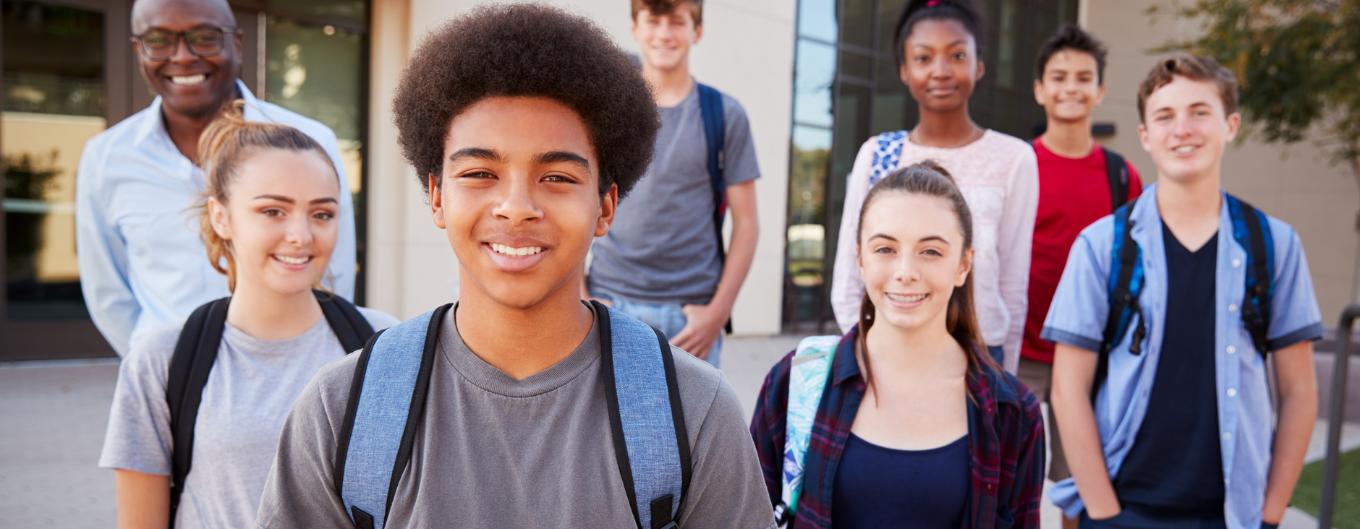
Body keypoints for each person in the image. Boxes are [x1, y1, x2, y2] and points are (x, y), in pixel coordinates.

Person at [254, 6, 774, 529]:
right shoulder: (344, 409)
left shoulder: (692, 411)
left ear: (607, 206)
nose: (517, 206)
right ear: (436, 197)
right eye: (480, 172)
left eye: (558, 177)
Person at [1045, 53, 1320, 529]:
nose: (1183, 129)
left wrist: (1271, 514)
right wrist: (1103, 512)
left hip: (1231, 515)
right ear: (1146, 136)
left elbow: (1298, 390)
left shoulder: (1273, 244)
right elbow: (1068, 387)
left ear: (1231, 125)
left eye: (1200, 112)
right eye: (1165, 116)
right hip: (1123, 507)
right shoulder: (1102, 246)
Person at [97, 107, 398, 529]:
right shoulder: (162, 360)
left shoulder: (383, 343)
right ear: (222, 217)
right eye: (273, 211)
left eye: (322, 213)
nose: (301, 235)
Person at [751, 161, 1045, 529]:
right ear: (859, 257)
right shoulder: (795, 381)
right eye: (885, 249)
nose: (906, 271)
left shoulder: (1012, 412)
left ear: (963, 264)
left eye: (931, 251)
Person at [76, 0, 356, 356]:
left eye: (204, 37)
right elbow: (108, 293)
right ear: (138, 49)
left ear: (236, 44)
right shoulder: (106, 158)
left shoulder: (310, 143)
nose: (181, 57)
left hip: (292, 372)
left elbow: (335, 275)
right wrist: (156, 365)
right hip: (169, 386)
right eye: (159, 39)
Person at [829, 0, 1038, 373]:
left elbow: (1013, 283)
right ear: (905, 70)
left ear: (979, 65)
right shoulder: (879, 154)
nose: (941, 71)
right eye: (924, 58)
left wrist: (1004, 377)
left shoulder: (1015, 158)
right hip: (889, 352)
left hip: (982, 355)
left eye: (957, 55)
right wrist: (865, 353)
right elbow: (849, 271)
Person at [586, 0, 761, 367]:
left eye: (677, 22)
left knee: (688, 426)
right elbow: (575, 200)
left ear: (696, 31)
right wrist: (581, 295)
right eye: (654, 21)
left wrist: (718, 313)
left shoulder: (725, 115)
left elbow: (747, 224)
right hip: (610, 304)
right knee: (605, 426)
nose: (664, 34)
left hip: (691, 316)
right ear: (635, 28)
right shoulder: (605, 113)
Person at [1020, 24, 1143, 528]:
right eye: (1059, 77)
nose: (1070, 87)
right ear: (1039, 89)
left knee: (1082, 486)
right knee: (1013, 478)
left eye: (1083, 77)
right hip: (1021, 352)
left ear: (1100, 91)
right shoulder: (1019, 164)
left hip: (1093, 357)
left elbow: (1138, 267)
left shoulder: (1121, 175)